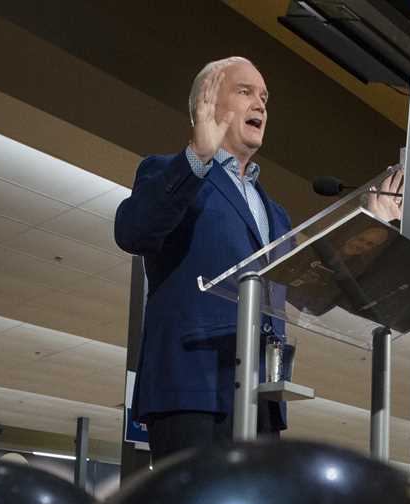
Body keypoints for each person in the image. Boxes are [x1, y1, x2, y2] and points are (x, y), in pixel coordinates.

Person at [115, 57, 291, 466]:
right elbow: (132, 232)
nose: (261, 105)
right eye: (245, 92)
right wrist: (197, 156)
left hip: (260, 398)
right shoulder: (168, 172)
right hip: (191, 392)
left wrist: (368, 229)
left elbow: (311, 284)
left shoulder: (277, 213)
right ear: (207, 103)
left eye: (264, 97)